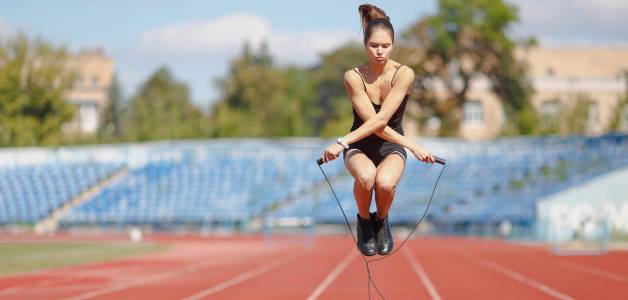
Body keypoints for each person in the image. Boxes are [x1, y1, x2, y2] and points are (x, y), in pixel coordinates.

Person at [319, 3, 435, 256]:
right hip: (359, 144)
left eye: (386, 46)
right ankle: (364, 221)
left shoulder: (404, 74)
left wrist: (340, 142)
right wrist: (345, 143)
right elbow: (374, 123)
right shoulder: (354, 76)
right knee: (366, 177)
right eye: (374, 46)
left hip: (391, 145)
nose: (380, 51)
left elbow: (383, 122)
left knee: (384, 183)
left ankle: (381, 221)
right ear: (365, 45)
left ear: (393, 45)